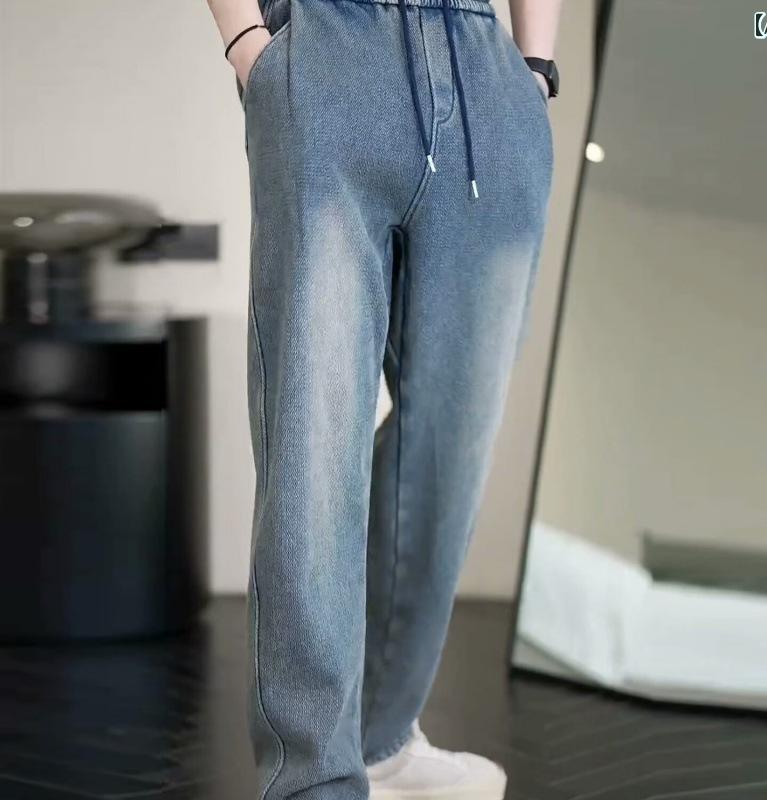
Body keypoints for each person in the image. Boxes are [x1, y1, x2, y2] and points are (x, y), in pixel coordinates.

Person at [207, 0, 562, 796]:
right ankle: (314, 780)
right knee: (314, 443)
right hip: (333, 48)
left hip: (485, 68)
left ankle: (380, 740)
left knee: (451, 449)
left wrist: (534, 71)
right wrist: (248, 46)